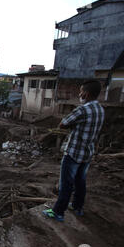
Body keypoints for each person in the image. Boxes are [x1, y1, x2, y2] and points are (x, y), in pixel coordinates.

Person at [43, 80, 105, 222]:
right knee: (80, 182)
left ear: (86, 93)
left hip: (74, 152)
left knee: (66, 184)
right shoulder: (100, 109)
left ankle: (58, 212)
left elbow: (63, 123)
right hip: (88, 152)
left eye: (81, 91)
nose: (79, 94)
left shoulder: (83, 109)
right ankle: (78, 207)